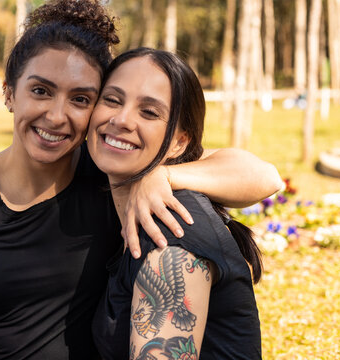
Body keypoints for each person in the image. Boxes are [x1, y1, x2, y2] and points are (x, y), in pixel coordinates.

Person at [0, 1, 280, 359]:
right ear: (9, 93)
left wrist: (161, 176)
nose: (57, 116)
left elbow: (261, 175)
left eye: (81, 98)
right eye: (40, 90)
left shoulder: (113, 181)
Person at [89, 48, 263, 359]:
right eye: (113, 100)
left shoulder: (171, 232)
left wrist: (164, 175)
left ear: (179, 142)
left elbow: (266, 176)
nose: (122, 119)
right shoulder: (108, 191)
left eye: (149, 112)